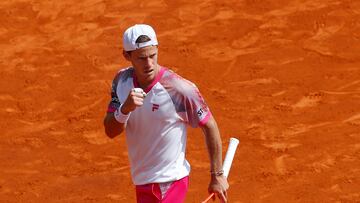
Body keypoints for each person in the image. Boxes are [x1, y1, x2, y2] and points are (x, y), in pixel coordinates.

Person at [103, 24, 229, 203]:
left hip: (169, 181)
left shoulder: (179, 90)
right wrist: (124, 110)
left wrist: (217, 175)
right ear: (127, 56)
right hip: (142, 182)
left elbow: (209, 125)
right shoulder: (121, 81)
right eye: (141, 58)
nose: (149, 64)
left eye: (152, 56)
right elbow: (110, 130)